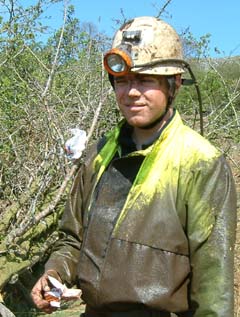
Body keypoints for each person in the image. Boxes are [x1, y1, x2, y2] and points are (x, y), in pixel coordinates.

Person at [31, 16, 237, 317]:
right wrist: (54, 275)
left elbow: (214, 286)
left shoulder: (201, 164)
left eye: (145, 80)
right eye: (123, 81)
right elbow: (72, 240)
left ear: (174, 84)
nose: (131, 92)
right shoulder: (100, 153)